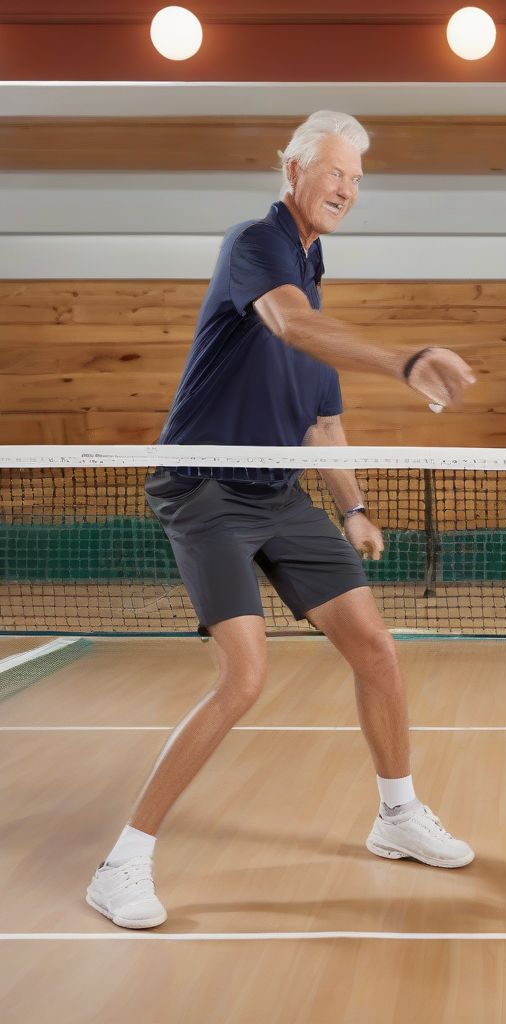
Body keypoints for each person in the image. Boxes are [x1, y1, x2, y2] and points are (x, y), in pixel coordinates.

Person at [86, 111, 477, 930]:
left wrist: (356, 509)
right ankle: (122, 864)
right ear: (293, 171)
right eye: (336, 172)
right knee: (247, 675)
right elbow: (289, 323)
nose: (348, 189)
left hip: (277, 492)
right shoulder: (255, 246)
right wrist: (405, 361)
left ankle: (396, 816)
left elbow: (322, 427)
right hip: (203, 485)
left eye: (359, 179)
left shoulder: (314, 288)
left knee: (375, 647)